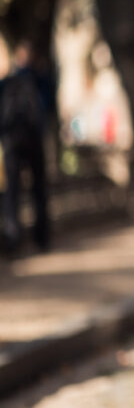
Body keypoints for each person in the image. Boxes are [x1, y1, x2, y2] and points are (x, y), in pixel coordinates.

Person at [1, 42, 52, 256]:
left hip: (11, 142)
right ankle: (42, 238)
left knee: (12, 192)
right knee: (38, 189)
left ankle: (13, 238)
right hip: (33, 140)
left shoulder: (6, 83)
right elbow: (47, 106)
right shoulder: (39, 79)